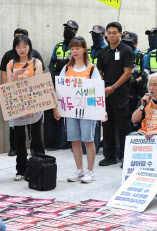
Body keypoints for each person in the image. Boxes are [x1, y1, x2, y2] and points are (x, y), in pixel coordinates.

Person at [53, 36, 102, 183]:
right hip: (70, 110)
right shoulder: (66, 68)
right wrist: (56, 108)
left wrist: (101, 110)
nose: (74, 51)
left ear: (84, 49)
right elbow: (59, 89)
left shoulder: (92, 68)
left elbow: (97, 91)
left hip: (87, 111)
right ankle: (79, 169)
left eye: (77, 48)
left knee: (88, 140)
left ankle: (90, 171)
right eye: (72, 48)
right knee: (75, 140)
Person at [0, 28, 45, 157]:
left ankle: (40, 167)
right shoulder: (11, 63)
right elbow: (9, 87)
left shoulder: (36, 63)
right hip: (17, 106)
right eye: (18, 47)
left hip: (34, 106)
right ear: (15, 48)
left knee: (36, 138)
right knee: (20, 140)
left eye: (25, 46)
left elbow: (39, 85)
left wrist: (33, 106)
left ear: (29, 47)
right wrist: (15, 75)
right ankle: (21, 169)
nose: (22, 49)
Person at [97, 22, 135, 166]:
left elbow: (127, 72)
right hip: (105, 94)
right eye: (109, 33)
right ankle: (110, 156)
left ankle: (126, 157)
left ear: (120, 33)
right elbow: (99, 72)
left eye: (114, 32)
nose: (111, 35)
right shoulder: (102, 52)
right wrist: (102, 87)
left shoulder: (127, 50)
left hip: (121, 93)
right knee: (107, 126)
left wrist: (113, 87)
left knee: (123, 127)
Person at [46, 20, 78, 149]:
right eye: (66, 28)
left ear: (75, 32)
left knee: (70, 112)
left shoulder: (77, 47)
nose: (67, 31)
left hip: (71, 84)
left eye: (70, 29)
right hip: (57, 82)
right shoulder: (58, 46)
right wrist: (53, 72)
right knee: (57, 111)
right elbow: (52, 62)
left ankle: (71, 140)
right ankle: (58, 142)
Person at [121, 31, 147, 120]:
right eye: (124, 43)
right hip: (123, 91)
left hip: (137, 91)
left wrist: (135, 80)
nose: (126, 45)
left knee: (135, 118)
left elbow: (145, 73)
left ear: (135, 44)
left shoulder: (142, 56)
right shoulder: (120, 55)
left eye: (129, 43)